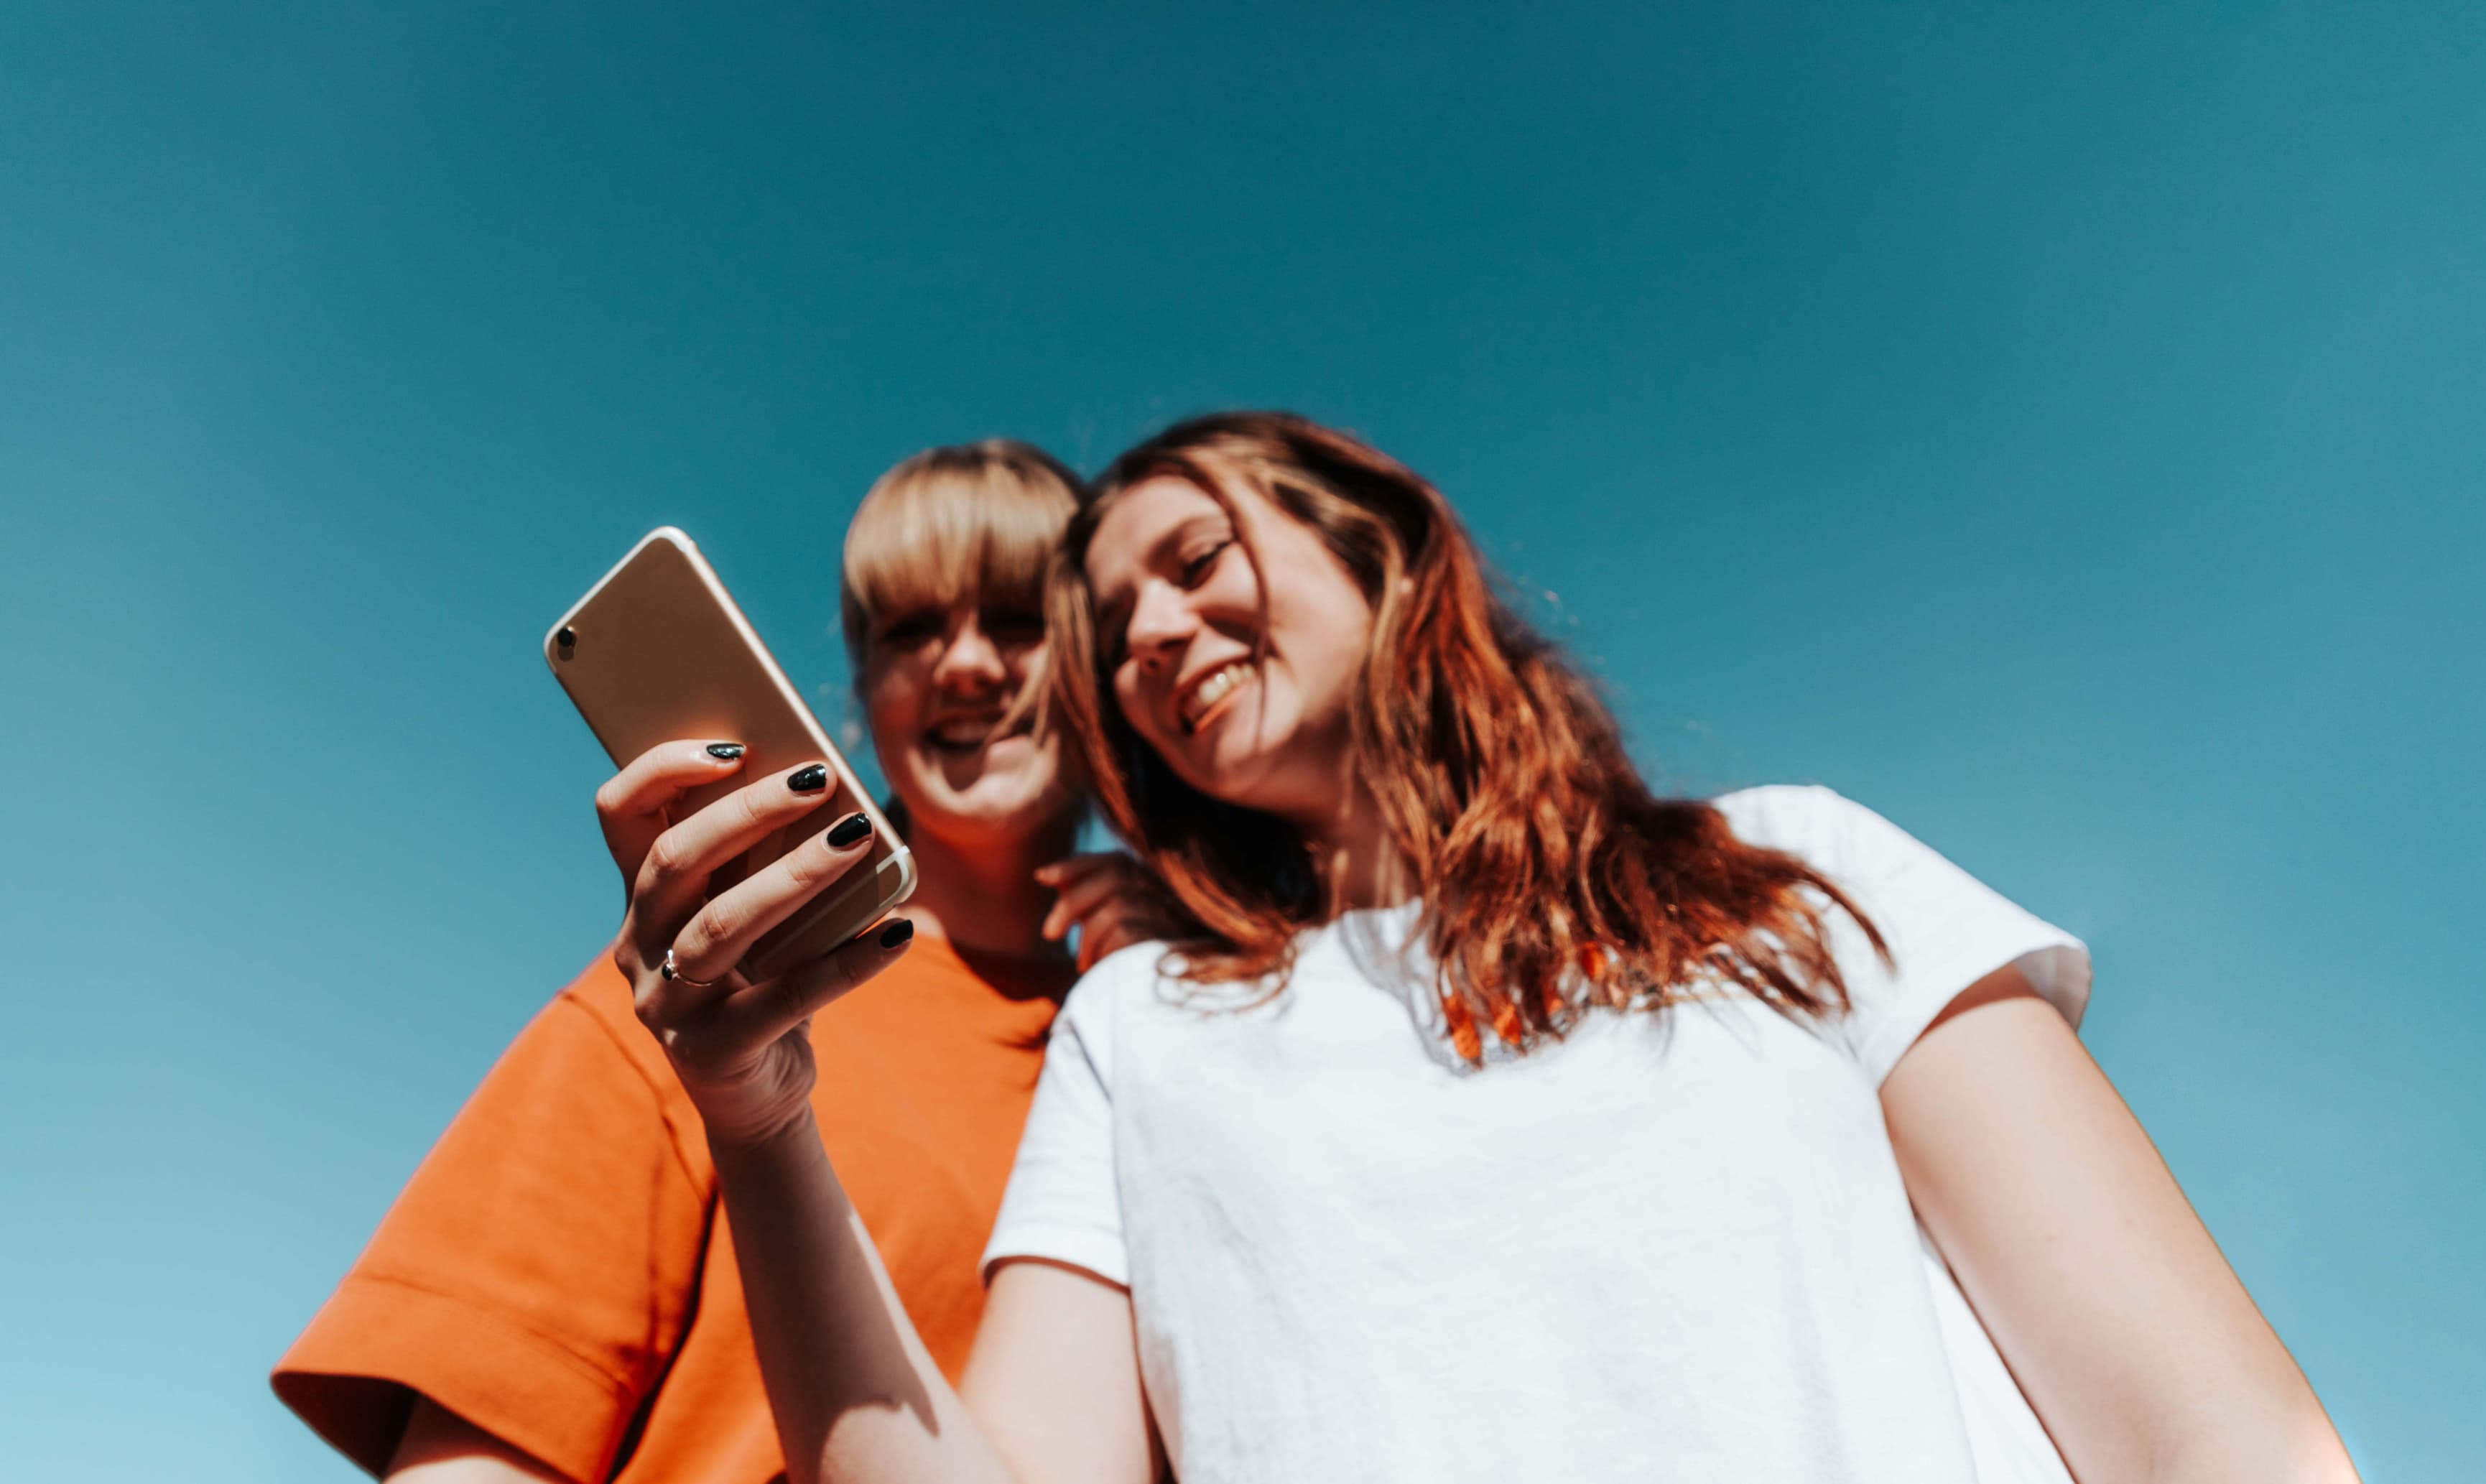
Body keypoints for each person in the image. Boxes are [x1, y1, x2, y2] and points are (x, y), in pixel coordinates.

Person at [622, 412, 2364, 1484]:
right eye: (1113, 632)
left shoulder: (1796, 872)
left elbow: (2208, 1435)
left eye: (1192, 555)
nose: (1151, 627)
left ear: (1374, 547)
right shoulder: (1141, 1032)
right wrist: (764, 1118)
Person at [272, 440, 1162, 1484]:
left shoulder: (1164, 1035)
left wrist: (1185, 1000)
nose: (964, 664)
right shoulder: (704, 998)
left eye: (1019, 620)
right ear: (862, 690)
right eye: (910, 628)